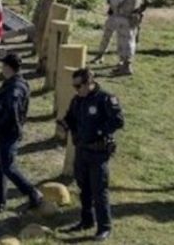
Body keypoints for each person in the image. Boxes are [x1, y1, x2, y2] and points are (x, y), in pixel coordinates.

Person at [60, 68, 124, 241]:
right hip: (81, 150)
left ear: (90, 83)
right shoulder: (78, 100)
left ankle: (104, 227)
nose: (76, 89)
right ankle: (86, 220)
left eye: (79, 85)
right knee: (84, 188)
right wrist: (65, 124)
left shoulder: (105, 99)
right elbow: (71, 117)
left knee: (99, 190)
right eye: (74, 86)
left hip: (98, 152)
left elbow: (118, 121)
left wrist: (100, 131)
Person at [0, 54, 43, 213]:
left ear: (9, 67)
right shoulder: (10, 84)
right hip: (3, 130)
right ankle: (0, 202)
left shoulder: (15, 88)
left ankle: (32, 192)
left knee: (8, 167)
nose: (2, 68)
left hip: (9, 131)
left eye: (4, 66)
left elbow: (11, 113)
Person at [106, 0, 143, 76]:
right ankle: (123, 65)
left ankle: (126, 66)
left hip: (122, 16)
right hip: (132, 17)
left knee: (124, 41)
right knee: (129, 40)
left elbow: (115, 1)